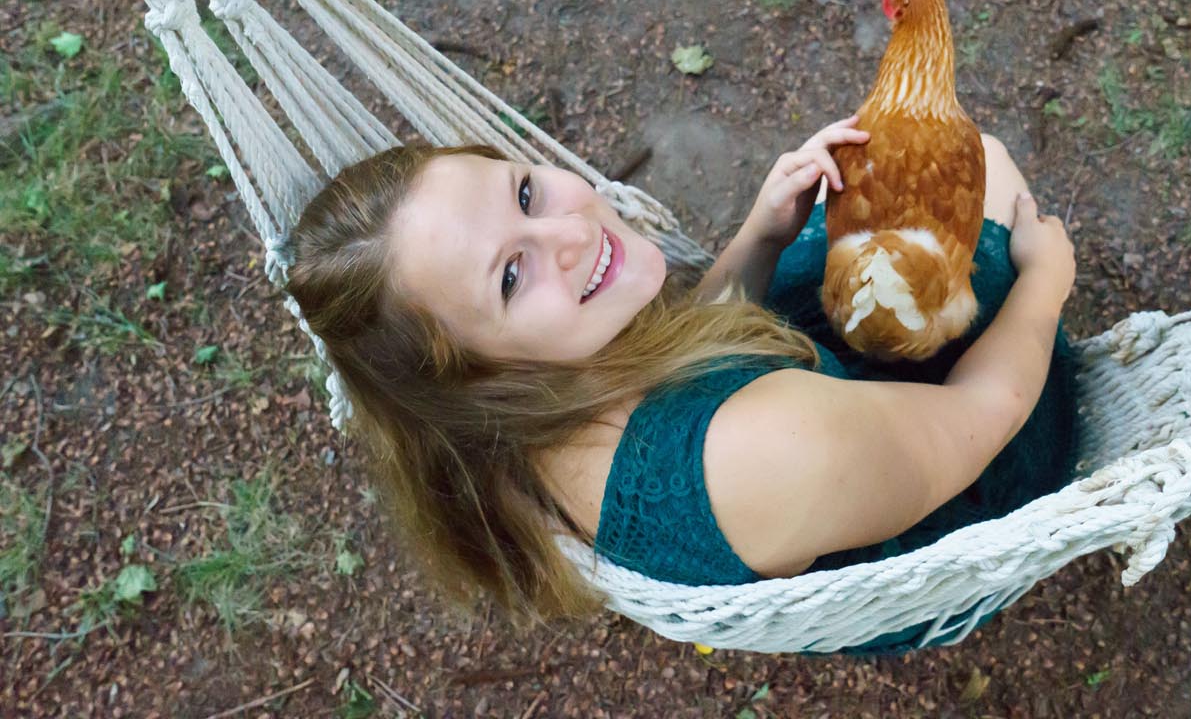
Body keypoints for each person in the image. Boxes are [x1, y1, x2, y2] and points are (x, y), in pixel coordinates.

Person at [285, 116, 1079, 653]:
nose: (571, 231)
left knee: (909, 165)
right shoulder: (768, 447)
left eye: (525, 193)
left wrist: (761, 237)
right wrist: (1045, 284)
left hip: (827, 423)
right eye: (511, 277)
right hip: (967, 489)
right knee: (980, 158)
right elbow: (986, 410)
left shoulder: (496, 427)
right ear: (477, 374)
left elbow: (677, 371)